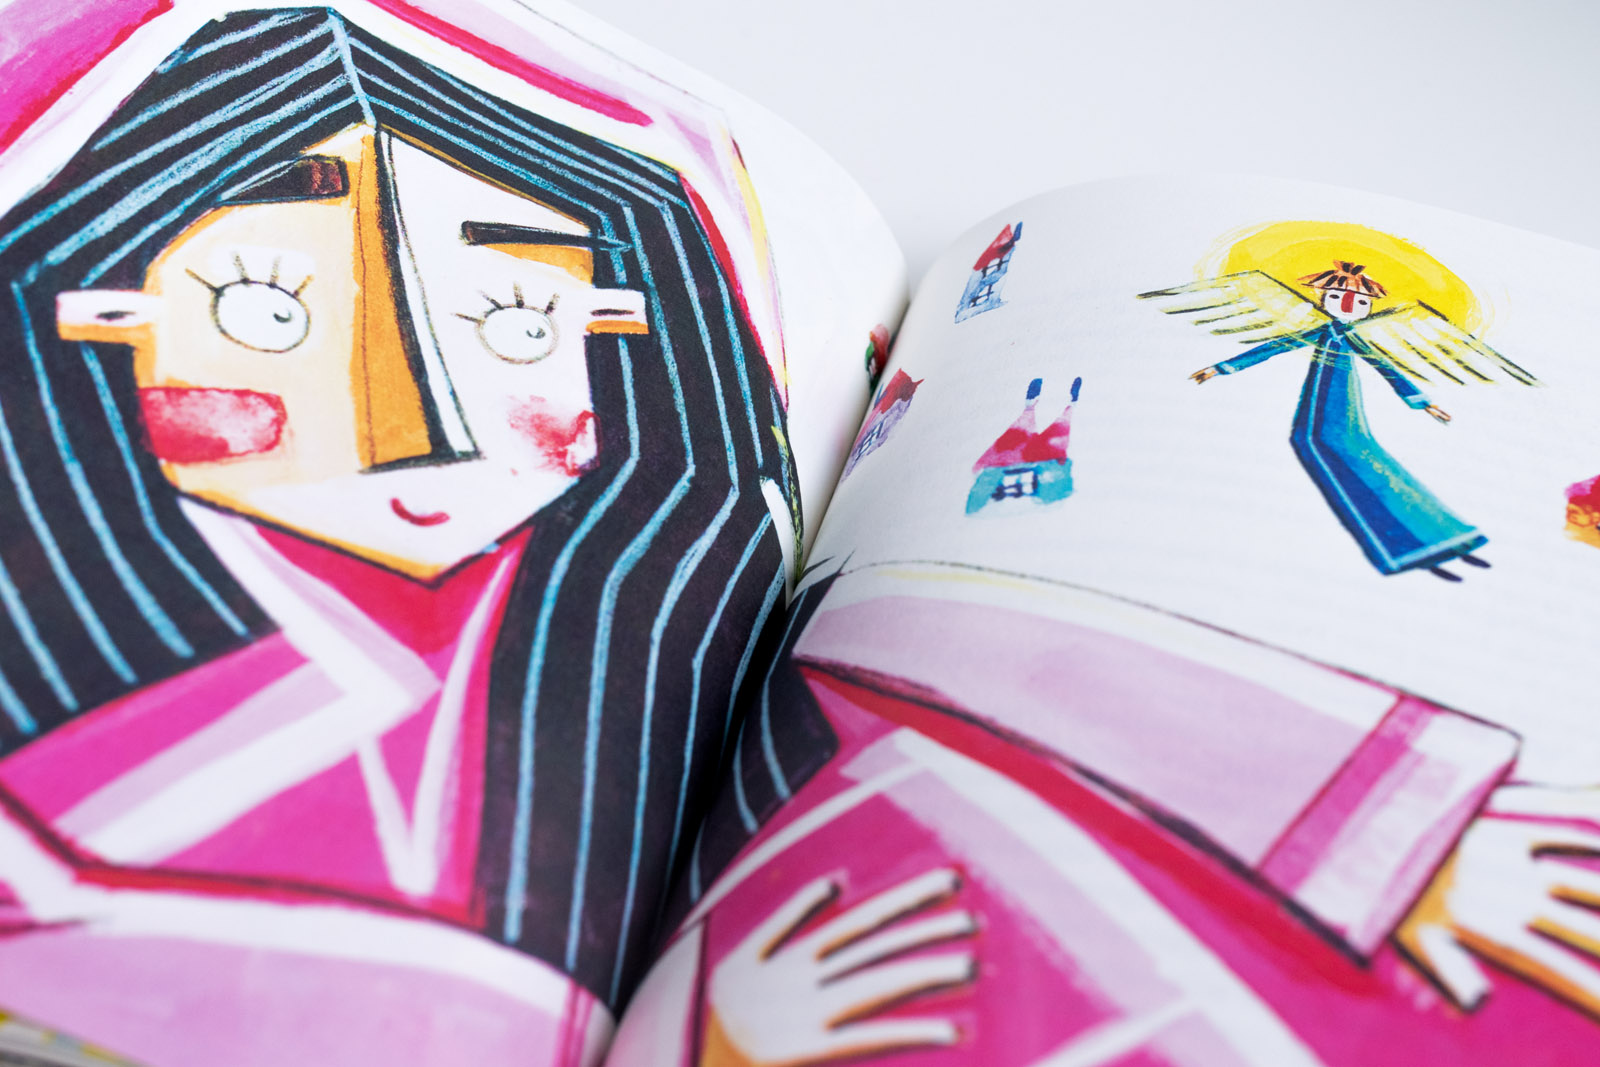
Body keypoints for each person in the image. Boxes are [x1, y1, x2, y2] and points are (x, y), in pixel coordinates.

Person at [0, 8, 795, 1051]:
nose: (416, 427)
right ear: (106, 312)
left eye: (520, 324)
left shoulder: (644, 647)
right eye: (264, 311)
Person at [1189, 261, 1489, 581]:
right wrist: (1221, 368)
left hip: (1340, 405)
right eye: (1336, 296)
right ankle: (1413, 549)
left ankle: (1442, 539)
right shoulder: (1323, 332)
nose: (1347, 305)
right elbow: (1272, 348)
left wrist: (1423, 403)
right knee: (1319, 444)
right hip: (1321, 407)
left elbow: (1386, 368)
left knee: (1335, 447)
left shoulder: (1351, 338)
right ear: (1322, 298)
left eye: (1360, 301)